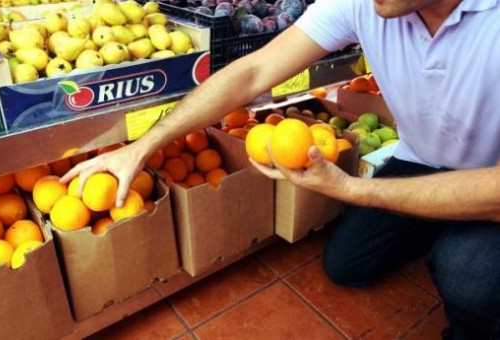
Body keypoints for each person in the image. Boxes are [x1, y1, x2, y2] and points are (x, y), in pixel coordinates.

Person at [61, 0, 500, 338]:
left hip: (491, 180)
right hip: (419, 160)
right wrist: (142, 147)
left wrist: (351, 189)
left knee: (468, 275)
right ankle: (445, 225)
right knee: (347, 265)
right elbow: (253, 72)